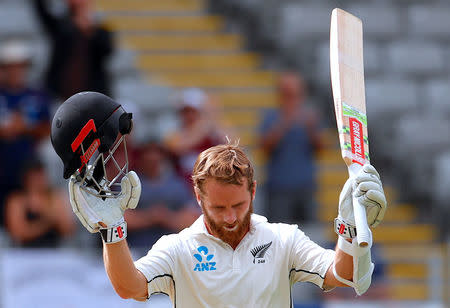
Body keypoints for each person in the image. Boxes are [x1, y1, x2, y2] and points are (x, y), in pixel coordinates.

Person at [50, 91, 387, 306]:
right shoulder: (178, 248)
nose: (229, 217)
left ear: (253, 192)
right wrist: (112, 232)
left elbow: (344, 275)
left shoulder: (284, 240)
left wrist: (350, 231)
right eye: (218, 207)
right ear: (197, 197)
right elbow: (129, 287)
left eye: (238, 206)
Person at [259, 72, 323, 224]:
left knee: (309, 235)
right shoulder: (271, 116)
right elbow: (264, 148)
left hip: (305, 186)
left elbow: (321, 148)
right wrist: (285, 122)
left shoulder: (308, 117)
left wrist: (311, 128)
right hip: (279, 188)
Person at [0, 40, 52, 225]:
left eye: (19, 67)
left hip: (26, 165)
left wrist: (25, 128)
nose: (16, 71)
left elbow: (49, 128)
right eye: (11, 67)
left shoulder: (36, 96)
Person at [32, 0, 114, 100]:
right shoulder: (61, 26)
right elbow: (43, 12)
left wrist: (90, 31)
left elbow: (107, 51)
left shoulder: (100, 31)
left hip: (91, 93)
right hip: (60, 94)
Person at [125, 141, 199, 249]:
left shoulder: (177, 185)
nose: (152, 158)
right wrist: (150, 217)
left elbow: (192, 219)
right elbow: (118, 219)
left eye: (156, 154)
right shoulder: (129, 183)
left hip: (172, 250)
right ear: (140, 158)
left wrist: (167, 218)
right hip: (135, 249)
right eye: (147, 154)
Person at [4, 159, 76, 247]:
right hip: (23, 253)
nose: (38, 181)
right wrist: (48, 221)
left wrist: (44, 210)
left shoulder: (55, 197)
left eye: (40, 176)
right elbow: (18, 232)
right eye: (34, 177)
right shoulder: (17, 200)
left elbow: (68, 229)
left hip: (54, 251)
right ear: (26, 178)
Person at [164, 88, 227, 187]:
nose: (188, 116)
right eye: (185, 112)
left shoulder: (211, 131)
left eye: (192, 112)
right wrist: (205, 124)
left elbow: (230, 145)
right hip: (183, 186)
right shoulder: (175, 131)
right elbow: (177, 148)